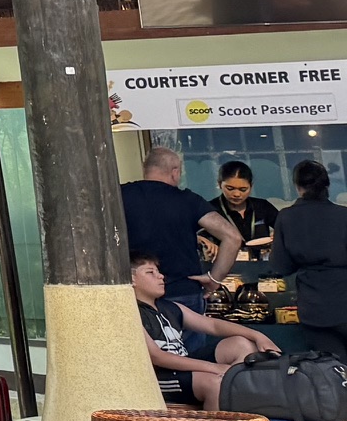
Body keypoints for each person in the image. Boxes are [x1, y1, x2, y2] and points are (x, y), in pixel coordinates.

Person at [131, 250, 269, 406]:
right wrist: (215, 368)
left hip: (184, 369)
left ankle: (237, 402)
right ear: (131, 279)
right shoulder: (131, 312)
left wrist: (258, 336)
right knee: (215, 383)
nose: (161, 276)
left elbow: (213, 325)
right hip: (159, 377)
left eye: (158, 271)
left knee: (242, 344)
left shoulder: (171, 307)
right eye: (150, 272)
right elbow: (157, 357)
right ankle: (219, 420)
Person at [121, 140, 243, 297]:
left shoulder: (121, 195)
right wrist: (214, 278)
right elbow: (232, 237)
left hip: (136, 290)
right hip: (183, 290)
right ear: (175, 172)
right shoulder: (188, 200)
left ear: (146, 170)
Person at [263, 158, 347, 361]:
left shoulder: (286, 217)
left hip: (314, 307)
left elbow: (281, 266)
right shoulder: (344, 215)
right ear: (327, 185)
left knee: (332, 368)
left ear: (297, 186)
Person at [208, 159, 281, 260]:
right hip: (225, 265)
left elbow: (286, 227)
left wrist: (279, 234)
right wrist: (201, 240)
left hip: (262, 263)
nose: (237, 194)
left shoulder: (262, 206)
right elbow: (189, 234)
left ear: (251, 186)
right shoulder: (209, 210)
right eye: (230, 188)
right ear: (220, 184)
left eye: (243, 189)